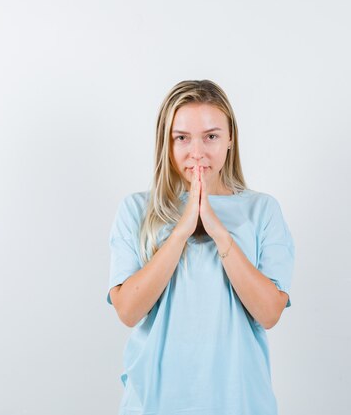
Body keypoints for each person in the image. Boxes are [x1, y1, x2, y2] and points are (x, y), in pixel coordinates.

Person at [106, 79, 295, 415]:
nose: (197, 152)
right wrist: (181, 230)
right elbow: (128, 310)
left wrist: (217, 228)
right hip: (155, 404)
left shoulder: (262, 211)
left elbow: (269, 313)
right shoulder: (135, 210)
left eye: (211, 136)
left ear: (230, 139)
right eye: (182, 137)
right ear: (166, 142)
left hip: (240, 403)